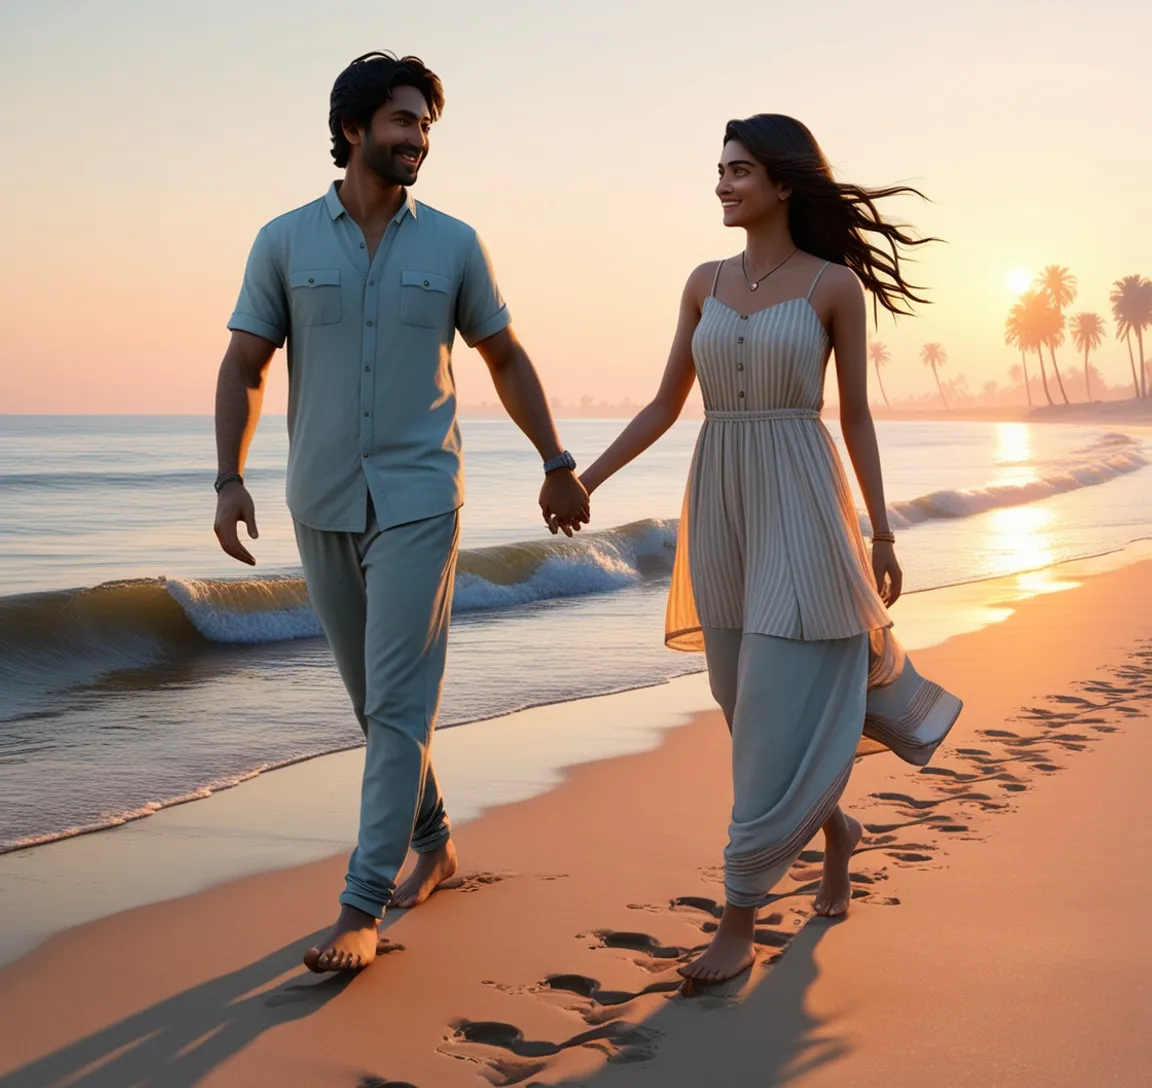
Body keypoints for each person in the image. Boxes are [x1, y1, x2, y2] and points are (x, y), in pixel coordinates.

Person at [213, 51, 589, 973]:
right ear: (353, 129)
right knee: (378, 707)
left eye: (425, 124)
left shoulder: (454, 244)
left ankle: (360, 906)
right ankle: (439, 843)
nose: (418, 138)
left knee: (397, 706)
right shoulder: (284, 241)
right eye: (403, 121)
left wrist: (557, 460)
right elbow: (245, 366)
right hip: (324, 500)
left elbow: (504, 356)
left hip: (422, 500)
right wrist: (229, 477)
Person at [577, 114, 962, 985]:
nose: (722, 184)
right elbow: (663, 404)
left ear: (784, 184)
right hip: (720, 504)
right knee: (740, 703)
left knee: (769, 719)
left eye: (739, 171)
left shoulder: (832, 286)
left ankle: (738, 922)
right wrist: (585, 479)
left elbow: (856, 415)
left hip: (804, 501)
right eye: (719, 169)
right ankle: (838, 831)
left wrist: (885, 528)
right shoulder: (702, 281)